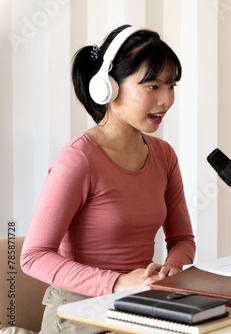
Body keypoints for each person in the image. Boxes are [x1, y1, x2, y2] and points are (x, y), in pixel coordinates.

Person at [21, 24, 196, 333]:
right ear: (108, 87)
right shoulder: (78, 160)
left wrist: (171, 269)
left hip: (140, 305)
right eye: (152, 86)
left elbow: (182, 239)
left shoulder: (164, 156)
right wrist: (115, 282)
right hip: (80, 313)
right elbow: (34, 257)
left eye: (171, 86)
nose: (166, 100)